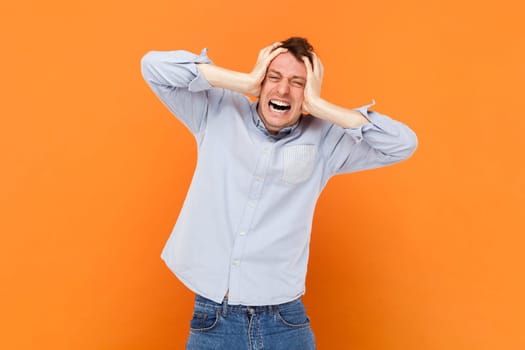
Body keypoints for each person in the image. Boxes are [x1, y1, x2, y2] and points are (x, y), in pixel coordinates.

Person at [141, 37, 418, 350]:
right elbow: (152, 66)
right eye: (274, 77)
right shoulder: (216, 112)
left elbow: (403, 143)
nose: (283, 90)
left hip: (284, 322)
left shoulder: (326, 140)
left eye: (298, 83)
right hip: (213, 317)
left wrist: (320, 106)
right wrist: (243, 80)